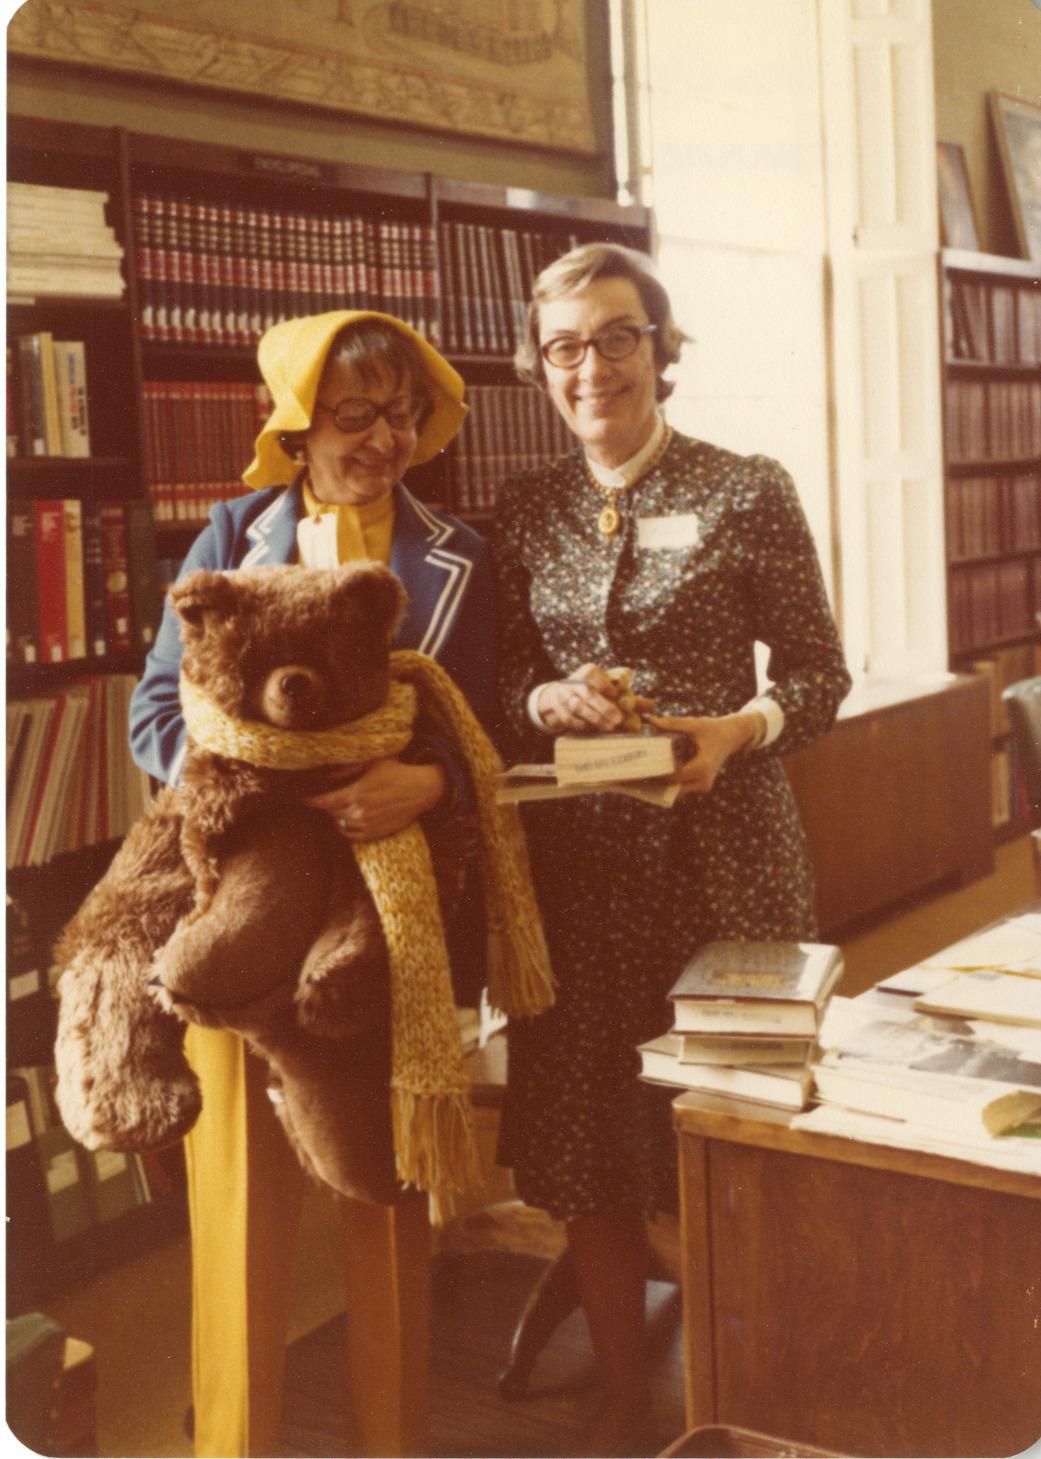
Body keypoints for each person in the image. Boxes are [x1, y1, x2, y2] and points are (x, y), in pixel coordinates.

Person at [491, 243, 852, 1456]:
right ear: (540, 367)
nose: (592, 366)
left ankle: (750, 1374)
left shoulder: (748, 488)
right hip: (577, 875)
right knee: (589, 1128)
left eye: (617, 336)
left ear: (662, 346)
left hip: (729, 861)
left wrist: (736, 729)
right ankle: (623, 1391)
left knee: (732, 1121)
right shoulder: (525, 511)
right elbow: (496, 679)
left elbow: (819, 676)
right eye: (564, 346)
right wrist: (543, 699)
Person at [130, 309, 495, 1458]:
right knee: (238, 1205)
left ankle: (389, 1442)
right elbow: (154, 713)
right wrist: (261, 785)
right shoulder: (231, 537)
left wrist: (424, 786)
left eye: (403, 414)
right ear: (297, 426)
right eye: (355, 417)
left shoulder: (461, 557)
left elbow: (477, 735)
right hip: (240, 913)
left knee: (383, 1200)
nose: (385, 439)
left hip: (391, 929)